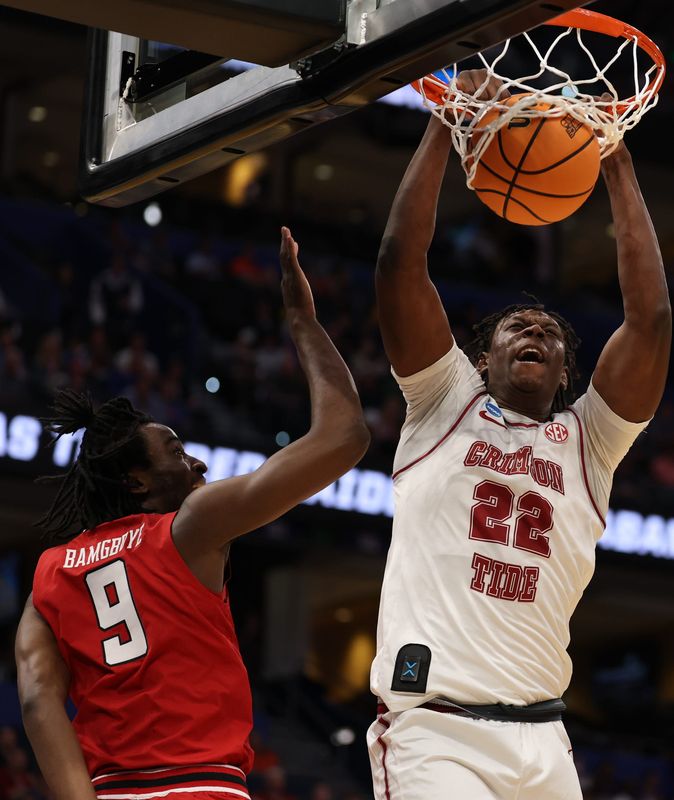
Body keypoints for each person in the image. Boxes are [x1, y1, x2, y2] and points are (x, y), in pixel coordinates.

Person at [367, 70, 671, 800]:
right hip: (436, 731)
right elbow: (399, 265)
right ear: (480, 360)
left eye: (550, 333)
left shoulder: (590, 443)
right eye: (516, 327)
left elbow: (651, 320)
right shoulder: (443, 402)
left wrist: (617, 159)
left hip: (543, 739)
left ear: (566, 375)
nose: (534, 329)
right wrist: (449, 118)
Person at [15, 227, 370, 800]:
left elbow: (36, 700)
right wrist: (303, 321)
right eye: (177, 452)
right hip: (201, 786)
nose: (199, 464)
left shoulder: (49, 575)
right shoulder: (188, 527)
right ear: (136, 482)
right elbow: (344, 437)